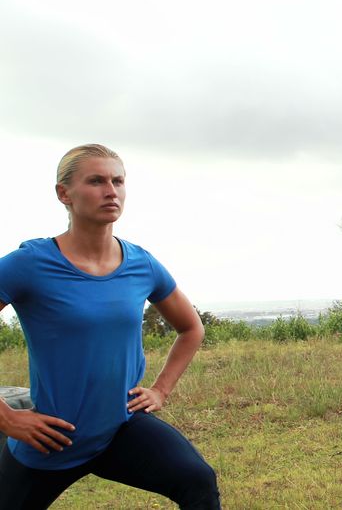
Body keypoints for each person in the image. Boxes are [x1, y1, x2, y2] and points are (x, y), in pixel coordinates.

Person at [0, 144, 219, 509]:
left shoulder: (141, 263)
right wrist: (7, 420)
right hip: (51, 439)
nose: (111, 191)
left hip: (120, 427)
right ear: (64, 193)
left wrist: (160, 391)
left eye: (118, 181)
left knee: (197, 480)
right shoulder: (29, 264)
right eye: (96, 181)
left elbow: (191, 328)